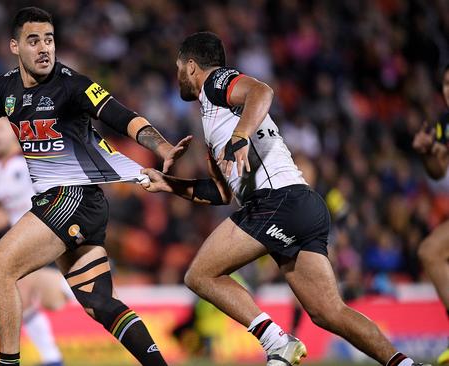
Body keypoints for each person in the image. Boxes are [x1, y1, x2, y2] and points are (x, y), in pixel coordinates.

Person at [0, 7, 191, 366]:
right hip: (66, 203)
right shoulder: (3, 89)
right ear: (14, 46)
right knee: (99, 303)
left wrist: (162, 147)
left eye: (50, 40)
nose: (44, 48)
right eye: (34, 40)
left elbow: (124, 117)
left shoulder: (73, 85)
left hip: (72, 196)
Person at [141, 31, 429, 366]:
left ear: (191, 67)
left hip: (277, 201)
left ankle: (278, 342)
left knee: (200, 275)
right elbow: (220, 193)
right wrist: (168, 184)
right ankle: (405, 364)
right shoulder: (213, 120)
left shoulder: (216, 83)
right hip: (302, 203)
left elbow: (262, 91)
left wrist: (241, 136)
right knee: (328, 311)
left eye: (177, 67)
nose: (176, 75)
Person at [0, 118, 70, 366]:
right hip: (25, 239)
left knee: (37, 294)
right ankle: (52, 358)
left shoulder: (26, 164)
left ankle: (87, 290)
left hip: (45, 234)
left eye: (1, 131)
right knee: (23, 295)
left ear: (15, 134)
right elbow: (6, 210)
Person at [412, 64, 449, 365]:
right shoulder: (445, 124)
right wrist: (428, 152)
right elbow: (438, 172)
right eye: (446, 84)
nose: (448, 90)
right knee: (430, 252)